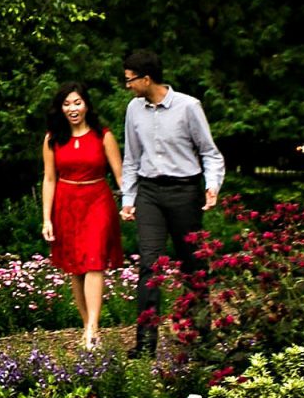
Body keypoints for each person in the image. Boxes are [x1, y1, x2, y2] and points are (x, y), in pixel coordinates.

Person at [118, 48, 224, 357]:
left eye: (130, 79)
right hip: (150, 193)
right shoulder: (133, 110)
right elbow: (131, 158)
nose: (127, 85)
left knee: (192, 265)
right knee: (149, 266)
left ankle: (203, 338)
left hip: (184, 192)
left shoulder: (188, 107)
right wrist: (129, 198)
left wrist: (212, 185)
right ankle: (145, 344)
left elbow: (209, 151)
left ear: (146, 78)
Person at [39, 83, 123, 350]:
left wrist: (131, 204)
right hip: (66, 203)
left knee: (94, 261)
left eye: (77, 103)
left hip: (97, 200)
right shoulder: (52, 139)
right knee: (75, 268)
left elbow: (120, 175)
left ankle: (93, 329)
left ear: (86, 105)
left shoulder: (103, 136)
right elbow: (49, 179)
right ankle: (86, 323)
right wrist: (46, 218)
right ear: (60, 108)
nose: (72, 109)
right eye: (67, 104)